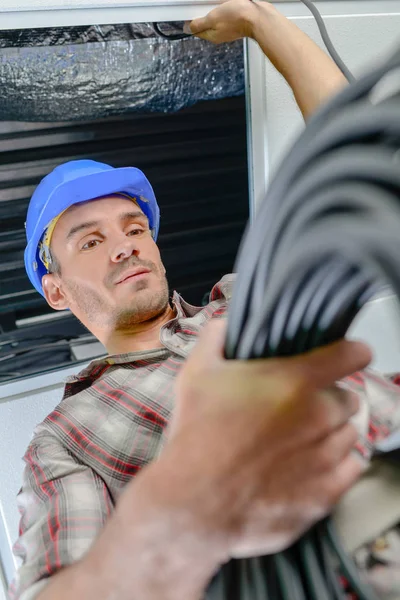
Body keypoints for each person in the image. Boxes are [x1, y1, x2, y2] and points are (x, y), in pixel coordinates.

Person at [9, 1, 400, 599]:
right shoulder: (65, 438)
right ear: (56, 290)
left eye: (134, 228)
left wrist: (266, 25)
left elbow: (356, 176)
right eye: (91, 239)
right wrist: (182, 514)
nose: (124, 247)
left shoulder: (245, 299)